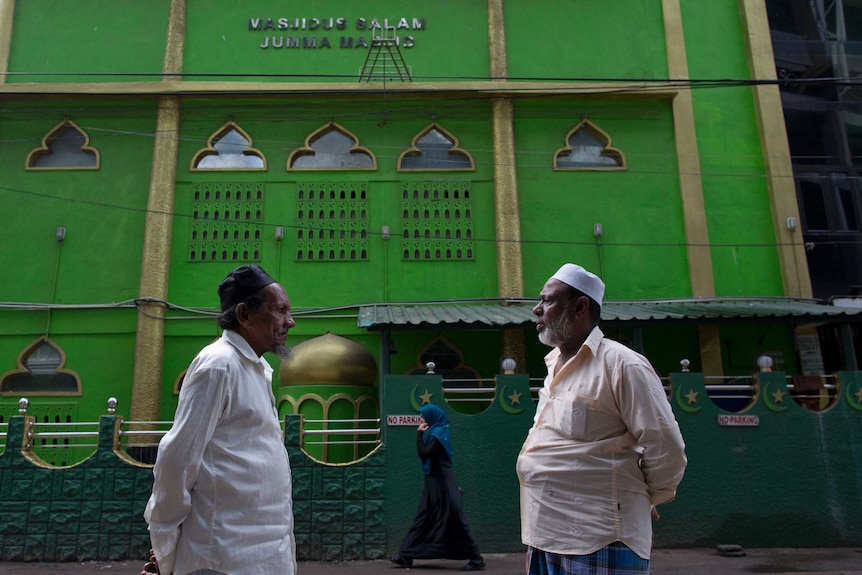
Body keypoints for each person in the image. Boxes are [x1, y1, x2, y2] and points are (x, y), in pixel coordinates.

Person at [517, 263, 687, 575]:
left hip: (601, 538)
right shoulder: (554, 365)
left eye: (547, 300)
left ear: (580, 307)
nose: (536, 309)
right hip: (545, 534)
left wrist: (647, 497)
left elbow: (665, 446)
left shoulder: (622, 365)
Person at [144, 264, 297, 575]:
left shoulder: (255, 369)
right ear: (244, 314)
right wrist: (166, 551)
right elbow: (176, 461)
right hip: (222, 558)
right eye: (280, 311)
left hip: (265, 554)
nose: (289, 322)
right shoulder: (218, 366)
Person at [390, 403, 486, 571]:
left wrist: (419, 434)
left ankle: (476, 559)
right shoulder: (435, 432)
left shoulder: (439, 433)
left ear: (431, 416)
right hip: (433, 484)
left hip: (443, 484)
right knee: (422, 518)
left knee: (456, 519)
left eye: (423, 416)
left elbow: (425, 452)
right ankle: (406, 555)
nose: (421, 419)